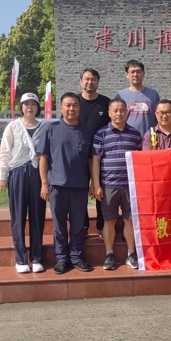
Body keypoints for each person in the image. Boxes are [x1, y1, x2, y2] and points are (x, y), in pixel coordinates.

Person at [37, 92, 93, 274]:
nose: (71, 109)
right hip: (57, 186)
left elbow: (91, 160)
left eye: (75, 105)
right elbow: (43, 158)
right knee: (59, 225)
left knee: (78, 225)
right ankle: (61, 258)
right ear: (60, 107)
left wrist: (93, 183)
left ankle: (76, 257)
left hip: (79, 186)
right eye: (68, 105)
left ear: (79, 108)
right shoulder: (51, 129)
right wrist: (44, 183)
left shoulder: (86, 131)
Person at [0, 92, 47, 273]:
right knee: (18, 216)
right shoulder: (13, 126)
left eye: (33, 104)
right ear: (21, 107)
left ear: (38, 107)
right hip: (17, 172)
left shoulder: (45, 126)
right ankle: (20, 259)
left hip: (37, 172)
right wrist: (3, 175)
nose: (30, 107)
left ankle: (36, 257)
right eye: (26, 104)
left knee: (37, 215)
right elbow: (5, 150)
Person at [92, 98, 143, 270]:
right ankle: (109, 254)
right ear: (109, 113)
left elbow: (140, 160)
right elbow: (95, 160)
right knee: (109, 221)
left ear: (127, 112)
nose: (119, 113)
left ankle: (131, 254)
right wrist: (96, 184)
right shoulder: (101, 134)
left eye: (122, 110)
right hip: (108, 185)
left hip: (130, 186)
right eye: (115, 110)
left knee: (130, 220)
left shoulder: (135, 134)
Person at [78, 68, 111, 240]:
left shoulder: (105, 103)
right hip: (79, 156)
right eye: (86, 79)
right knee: (80, 191)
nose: (89, 82)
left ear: (98, 82)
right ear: (81, 81)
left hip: (101, 156)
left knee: (100, 190)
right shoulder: (74, 102)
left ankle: (101, 226)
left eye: (93, 79)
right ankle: (82, 226)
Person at [114, 59, 160, 136]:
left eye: (138, 71)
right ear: (127, 74)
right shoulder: (120, 95)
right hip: (128, 137)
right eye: (132, 72)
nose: (135, 74)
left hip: (150, 137)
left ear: (143, 73)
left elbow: (158, 117)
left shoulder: (153, 94)